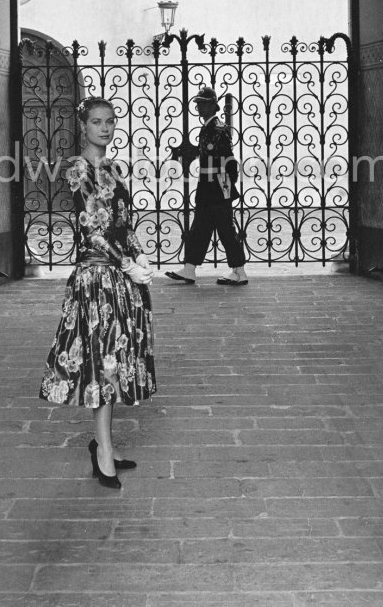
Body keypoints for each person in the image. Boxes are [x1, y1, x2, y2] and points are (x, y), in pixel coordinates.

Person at [39, 96, 156, 490]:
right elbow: (93, 229)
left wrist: (141, 257)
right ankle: (103, 451)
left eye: (109, 122)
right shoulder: (78, 169)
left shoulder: (112, 168)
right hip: (96, 278)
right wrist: (126, 263)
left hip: (120, 279)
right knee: (103, 363)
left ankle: (105, 444)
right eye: (96, 123)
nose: (105, 129)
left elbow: (123, 223)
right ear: (83, 127)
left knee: (115, 360)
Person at [165, 86, 248, 286]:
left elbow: (228, 160)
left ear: (213, 105)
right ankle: (189, 268)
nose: (199, 107)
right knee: (200, 229)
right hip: (210, 188)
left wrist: (226, 186)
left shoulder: (217, 129)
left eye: (202, 103)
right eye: (198, 103)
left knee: (226, 230)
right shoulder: (209, 127)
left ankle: (239, 271)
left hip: (217, 189)